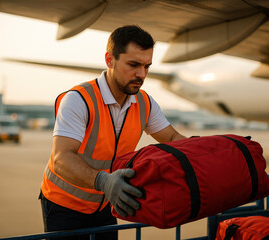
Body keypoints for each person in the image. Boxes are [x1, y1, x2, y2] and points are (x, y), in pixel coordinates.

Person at [39, 25, 186, 239]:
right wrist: (104, 181)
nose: (141, 74)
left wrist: (205, 153)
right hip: (64, 205)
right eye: (133, 65)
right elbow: (62, 158)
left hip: (107, 202)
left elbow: (172, 138)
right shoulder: (79, 99)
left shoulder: (144, 103)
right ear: (110, 60)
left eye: (147, 66)